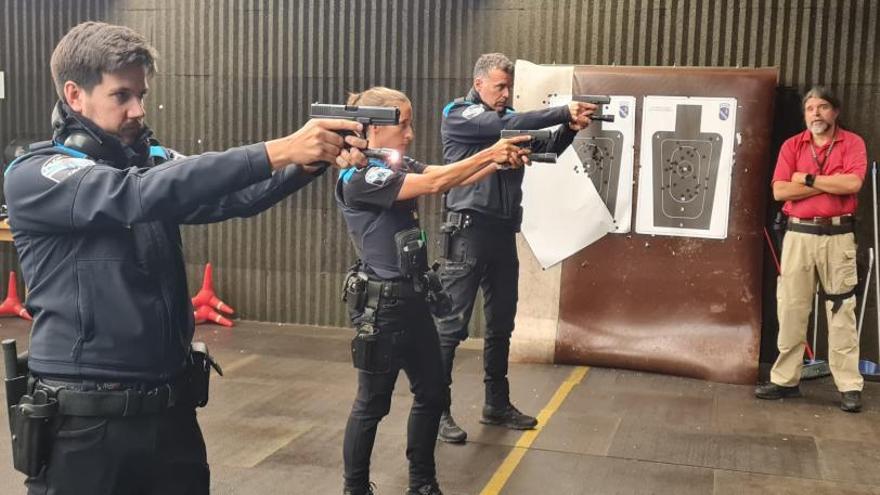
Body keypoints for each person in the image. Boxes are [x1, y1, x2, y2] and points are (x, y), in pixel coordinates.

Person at [3, 21, 366, 494]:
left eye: (142, 93)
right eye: (122, 96)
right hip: (85, 426)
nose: (140, 108)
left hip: (170, 416)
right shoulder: (36, 173)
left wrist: (311, 159)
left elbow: (237, 195)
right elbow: (129, 195)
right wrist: (278, 149)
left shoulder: (147, 163)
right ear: (75, 95)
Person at [335, 87, 530, 495]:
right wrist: (491, 153)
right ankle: (354, 489)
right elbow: (437, 183)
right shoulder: (360, 177)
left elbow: (446, 175)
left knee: (431, 393)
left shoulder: (392, 163)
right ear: (371, 127)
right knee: (372, 405)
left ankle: (422, 482)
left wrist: (494, 162)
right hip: (382, 309)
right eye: (402, 124)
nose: (409, 134)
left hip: (413, 300)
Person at [435, 53, 595, 443]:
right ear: (478, 85)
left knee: (502, 324)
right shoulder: (460, 114)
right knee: (451, 328)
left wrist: (569, 127)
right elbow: (508, 124)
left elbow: (549, 148)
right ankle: (435, 411)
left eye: (510, 87)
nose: (506, 94)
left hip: (502, 234)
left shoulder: (509, 119)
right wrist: (562, 109)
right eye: (499, 87)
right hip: (468, 233)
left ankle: (496, 404)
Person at [754, 86, 868, 413]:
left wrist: (804, 179)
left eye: (823, 107)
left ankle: (848, 385)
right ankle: (785, 380)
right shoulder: (792, 145)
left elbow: (852, 184)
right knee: (790, 308)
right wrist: (823, 181)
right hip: (798, 236)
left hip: (838, 236)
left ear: (835, 112)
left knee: (841, 311)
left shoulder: (853, 143)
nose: (816, 113)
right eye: (810, 108)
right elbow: (779, 190)